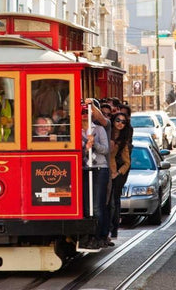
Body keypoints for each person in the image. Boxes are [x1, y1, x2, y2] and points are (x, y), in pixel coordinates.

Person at [80, 104, 110, 250]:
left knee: (97, 206)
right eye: (82, 112)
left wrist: (95, 144)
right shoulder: (75, 131)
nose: (84, 114)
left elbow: (105, 150)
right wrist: (85, 148)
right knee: (86, 205)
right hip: (84, 169)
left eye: (87, 111)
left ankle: (98, 236)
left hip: (99, 169)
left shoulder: (99, 129)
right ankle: (88, 235)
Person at [109, 112, 131, 239]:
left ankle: (114, 229)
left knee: (114, 202)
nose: (120, 123)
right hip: (101, 171)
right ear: (113, 121)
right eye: (118, 120)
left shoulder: (123, 141)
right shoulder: (107, 133)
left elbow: (127, 162)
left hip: (114, 176)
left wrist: (117, 173)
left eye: (123, 122)